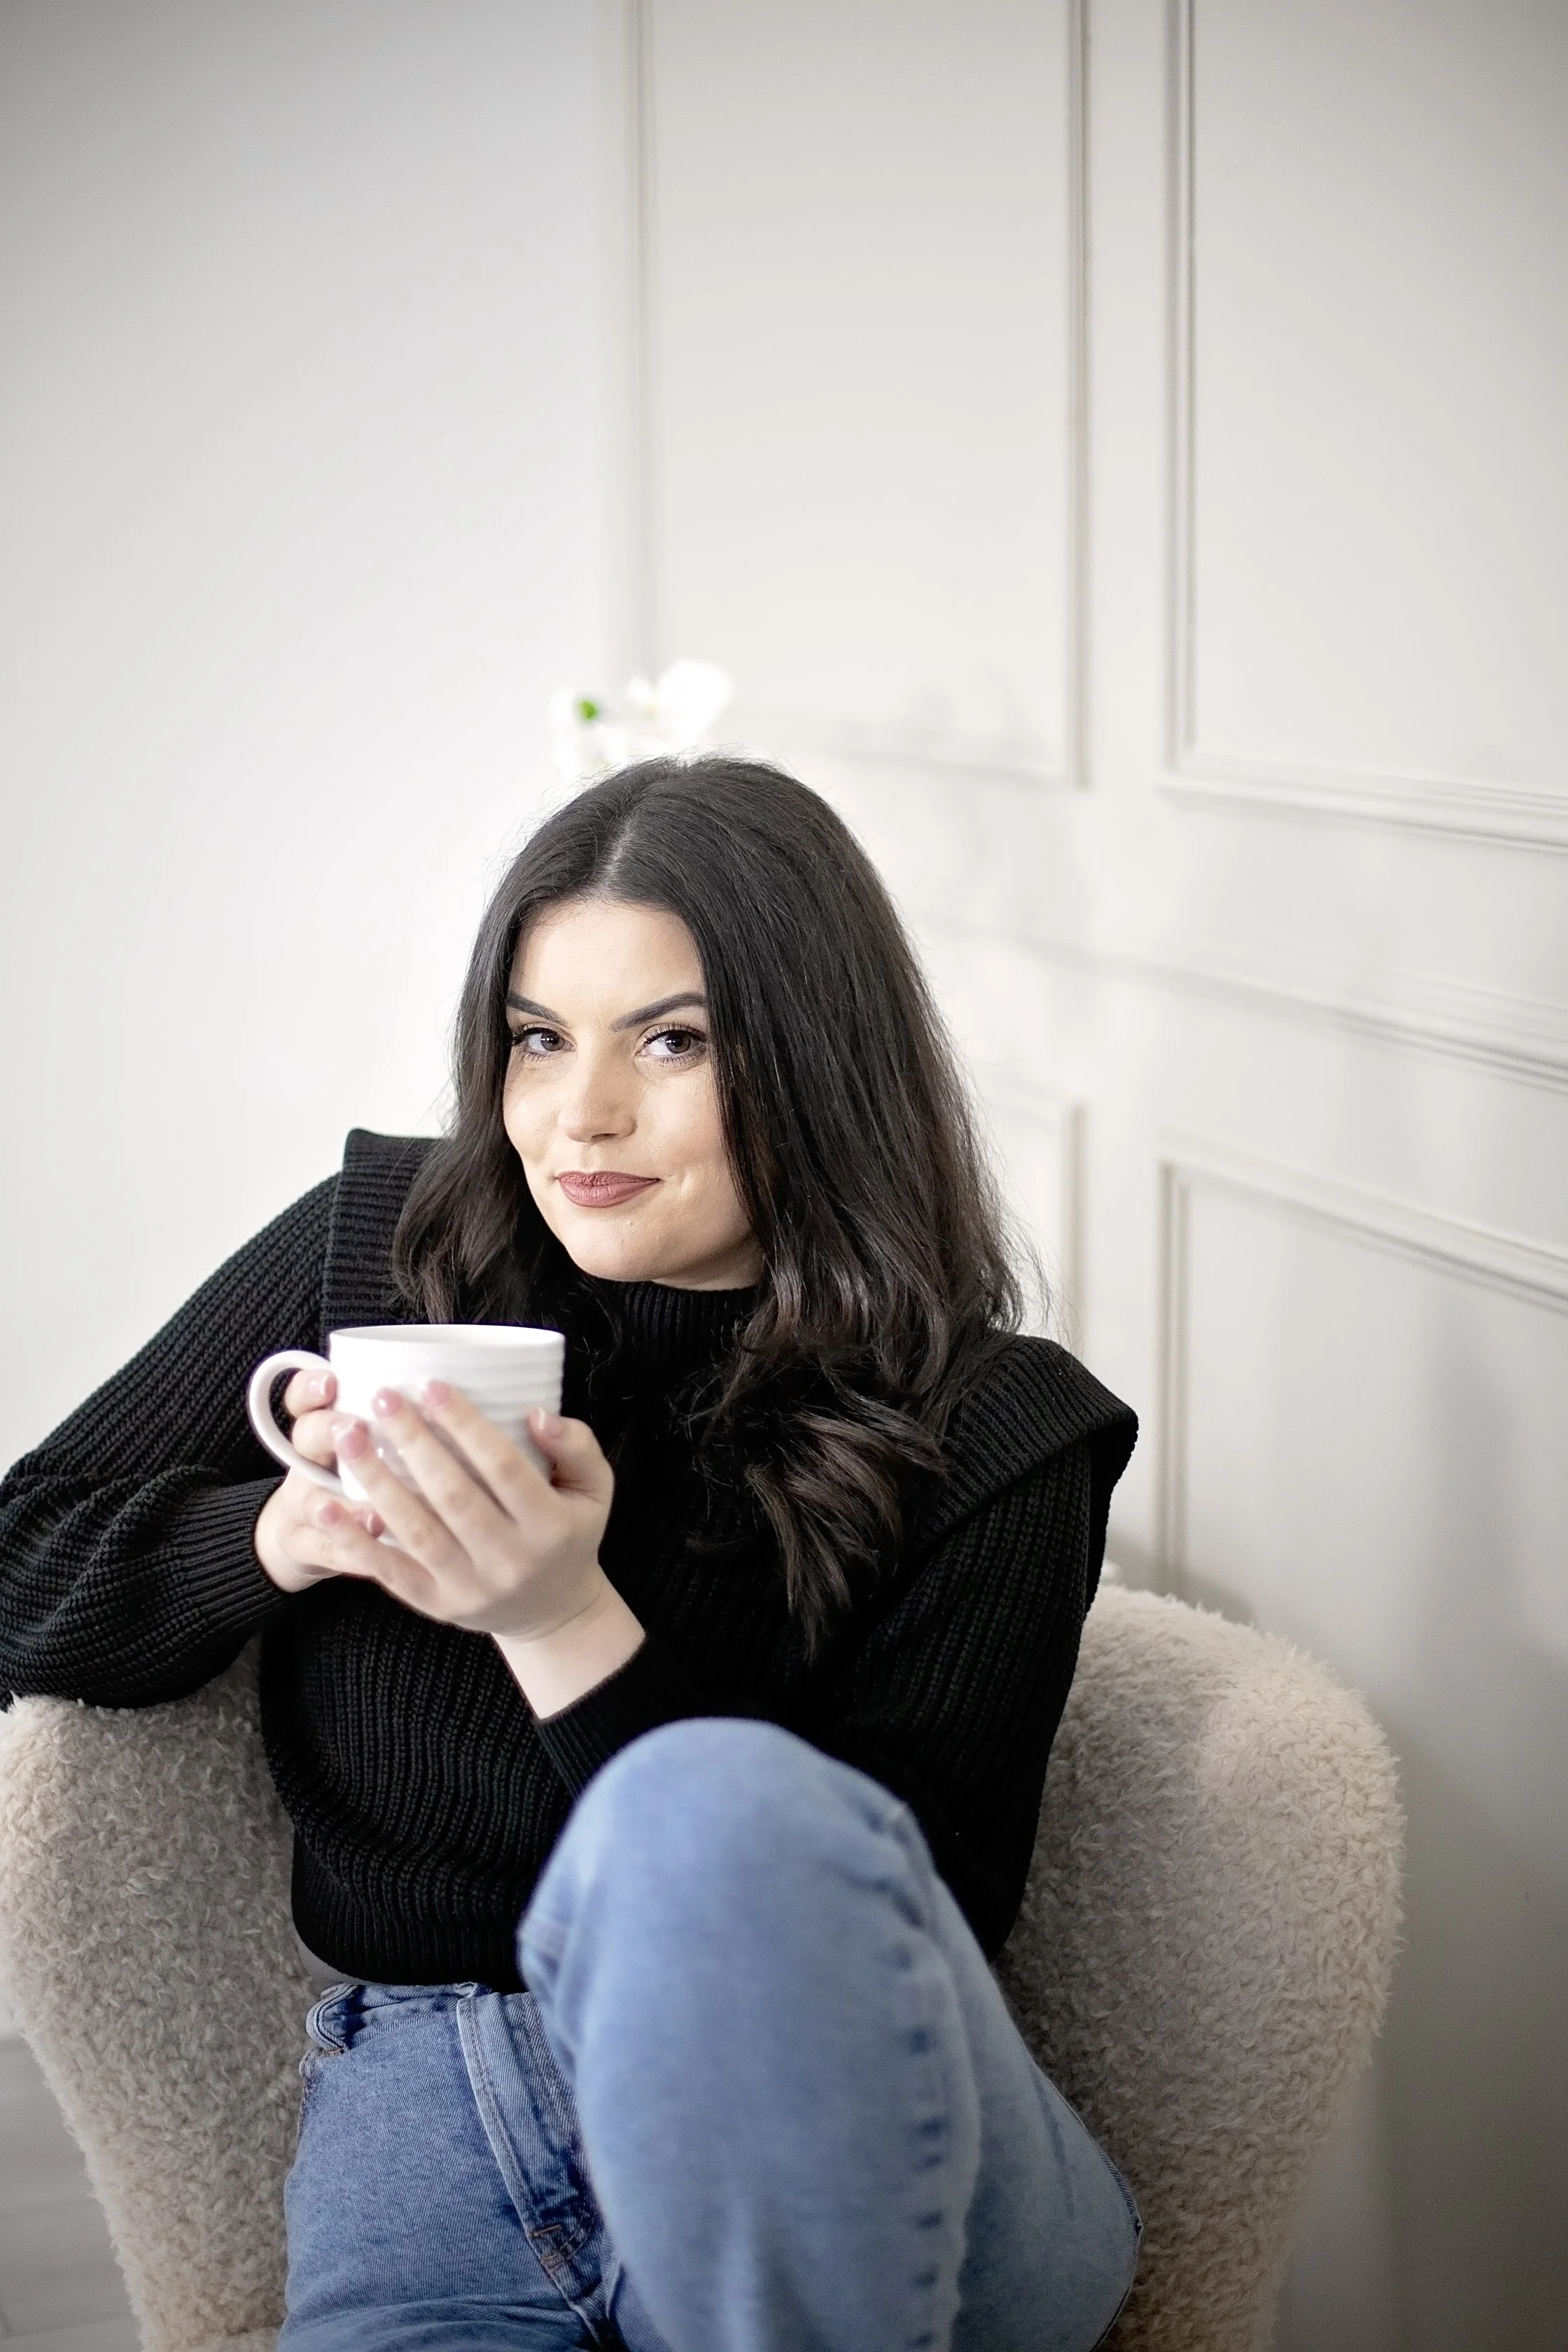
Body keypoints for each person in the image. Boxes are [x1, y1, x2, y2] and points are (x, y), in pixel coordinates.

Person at [0, 755, 1140, 2351]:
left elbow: (897, 1925)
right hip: (437, 2119)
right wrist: (285, 1531)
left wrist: (559, 1621)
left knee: (718, 1809)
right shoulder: (381, 1252)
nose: (579, 1114)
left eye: (672, 1042)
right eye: (537, 1039)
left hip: (854, 2134)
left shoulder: (1004, 1427)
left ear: (819, 1064)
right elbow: (20, 1565)